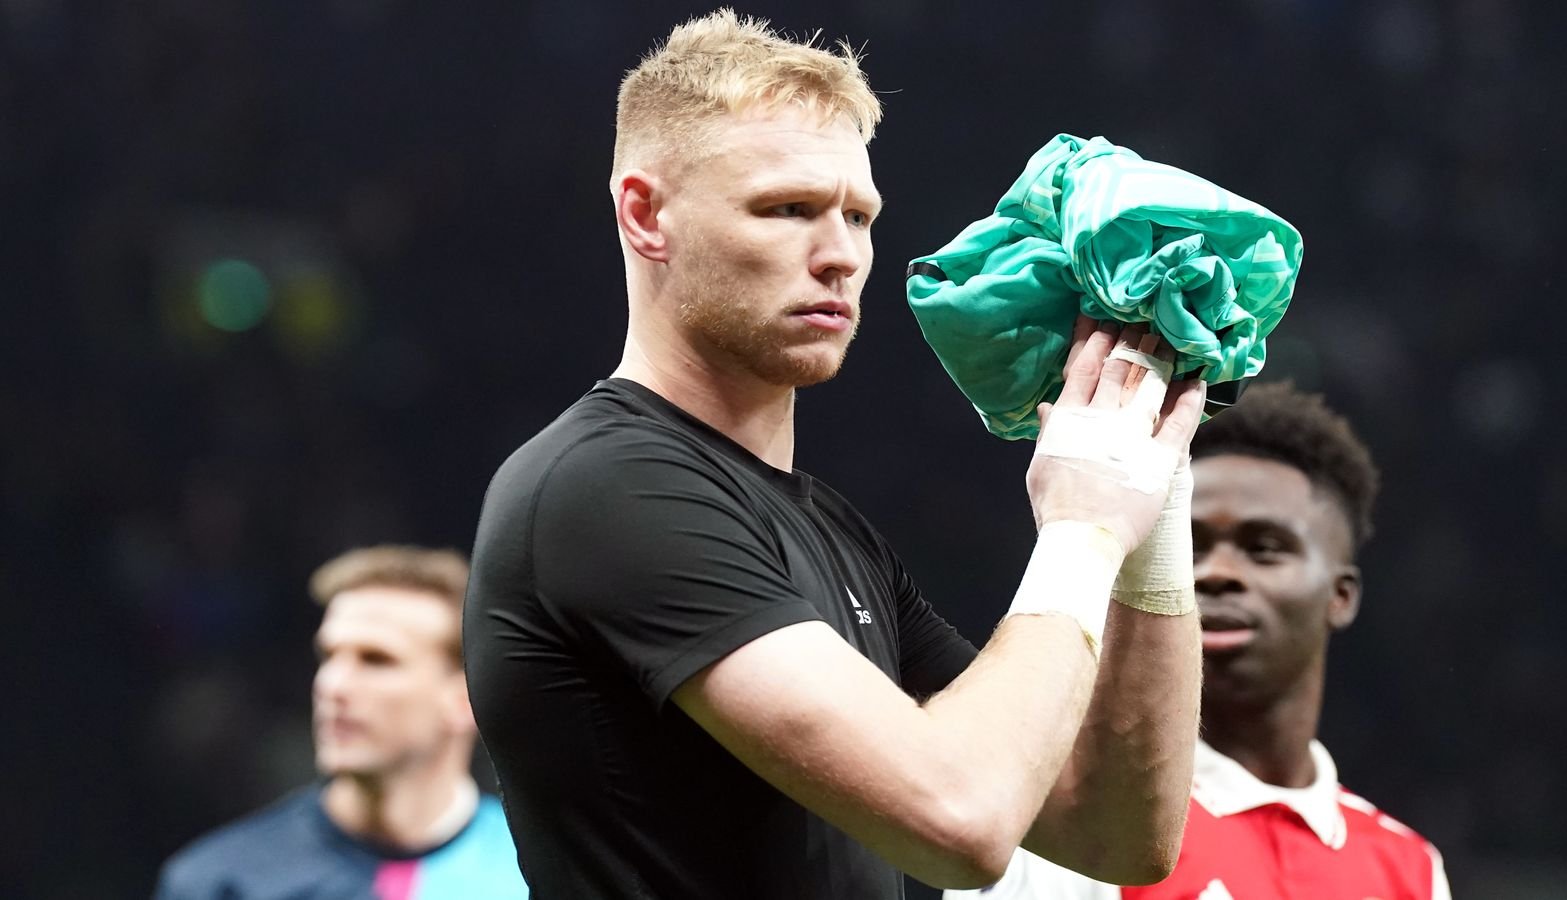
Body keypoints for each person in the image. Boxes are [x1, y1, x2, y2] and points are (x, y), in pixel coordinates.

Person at [463, 10, 1211, 899]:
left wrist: (1149, 501)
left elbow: (1117, 835)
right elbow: (962, 822)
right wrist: (1083, 531)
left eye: (859, 216)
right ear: (646, 213)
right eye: (788, 210)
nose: (842, 256)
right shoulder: (604, 489)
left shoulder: (833, 530)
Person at [947, 382, 1452, 899]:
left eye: (1265, 548)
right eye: (1191, 545)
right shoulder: (1072, 825)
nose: (1216, 573)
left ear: (1340, 595)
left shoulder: (1408, 869)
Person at [154, 545, 527, 900]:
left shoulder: (537, 876)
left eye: (376, 659)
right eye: (328, 656)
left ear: (466, 697)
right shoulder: (219, 884)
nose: (333, 685)